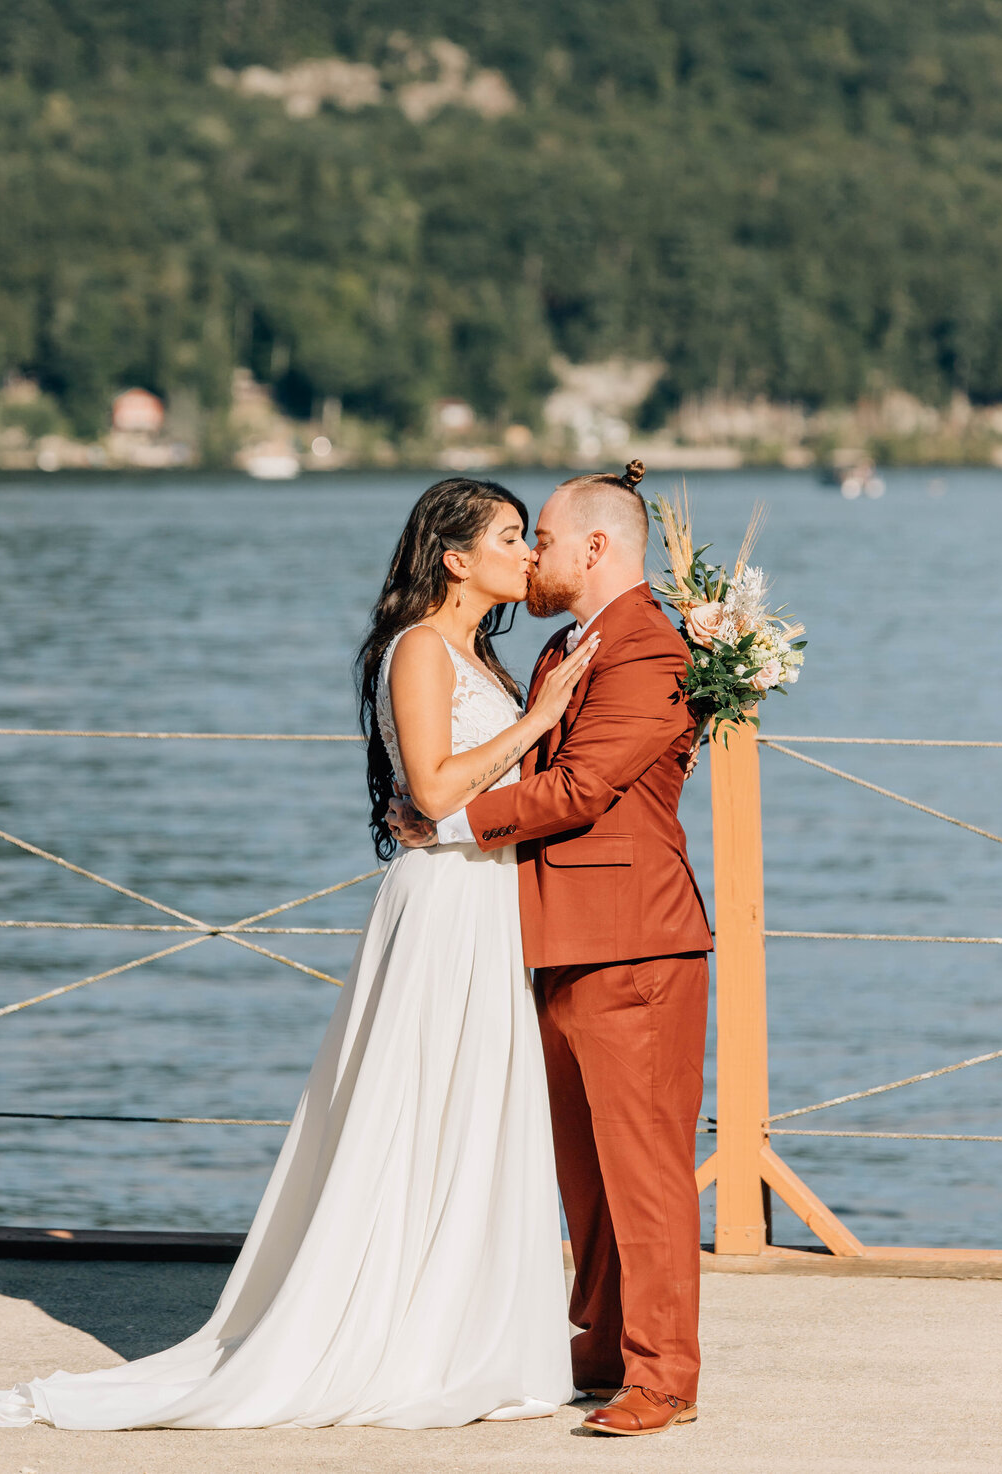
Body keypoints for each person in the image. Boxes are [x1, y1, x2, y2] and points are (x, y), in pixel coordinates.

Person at [0, 477, 596, 1432]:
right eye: (513, 537)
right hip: (444, 905)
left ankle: (468, 1331)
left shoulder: (484, 658)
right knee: (420, 1107)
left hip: (488, 897)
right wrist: (542, 720)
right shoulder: (422, 649)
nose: (530, 554)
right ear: (458, 559)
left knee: (476, 1110)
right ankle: (394, 1335)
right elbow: (430, 790)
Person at [390, 460, 713, 1437]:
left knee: (644, 1165)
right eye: (518, 543)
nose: (533, 560)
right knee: (586, 1167)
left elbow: (579, 789)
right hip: (554, 936)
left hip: (634, 943)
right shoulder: (574, 645)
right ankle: (604, 1339)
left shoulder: (649, 649)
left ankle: (663, 1374)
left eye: (549, 541)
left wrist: (447, 822)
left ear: (597, 548)